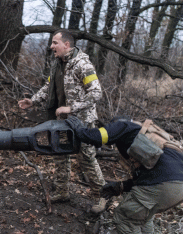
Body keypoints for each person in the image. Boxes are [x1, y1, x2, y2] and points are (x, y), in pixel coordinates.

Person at [18, 29, 106, 213]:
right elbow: (49, 86)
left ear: (67, 45)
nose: (51, 46)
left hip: (82, 122)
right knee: (59, 155)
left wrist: (72, 108)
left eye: (55, 43)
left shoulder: (82, 64)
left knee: (87, 159)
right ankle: (62, 191)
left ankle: (103, 196)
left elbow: (96, 93)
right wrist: (33, 100)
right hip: (61, 122)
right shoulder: (58, 63)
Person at [65, 115, 183, 234]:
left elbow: (97, 136)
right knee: (143, 219)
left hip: (162, 185)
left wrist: (79, 129)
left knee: (125, 218)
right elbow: (154, 174)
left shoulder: (123, 125)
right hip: (178, 188)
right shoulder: (147, 135)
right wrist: (121, 186)